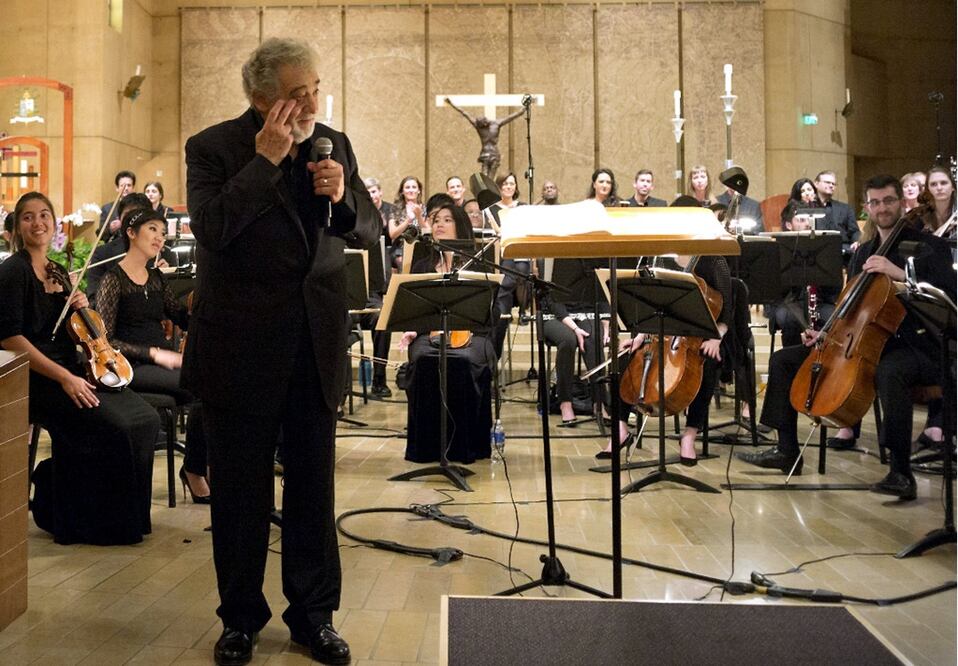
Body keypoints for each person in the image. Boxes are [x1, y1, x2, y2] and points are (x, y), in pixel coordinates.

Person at [184, 37, 379, 665]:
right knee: (241, 493)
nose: (311, 101)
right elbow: (212, 229)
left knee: (313, 491)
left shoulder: (334, 144)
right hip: (240, 344)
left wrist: (342, 194)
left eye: (316, 87)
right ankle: (239, 618)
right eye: (298, 93)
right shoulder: (213, 148)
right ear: (261, 97)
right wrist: (265, 162)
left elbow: (368, 229)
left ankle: (313, 616)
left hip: (313, 341)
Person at [739, 174, 956, 500]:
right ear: (867, 207)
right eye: (875, 202)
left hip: (914, 345)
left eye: (889, 201)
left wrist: (899, 273)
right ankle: (785, 451)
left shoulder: (929, 247)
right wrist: (826, 332)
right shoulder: (864, 252)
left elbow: (948, 295)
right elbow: (852, 306)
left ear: (901, 202)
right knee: (785, 359)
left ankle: (900, 471)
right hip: (862, 341)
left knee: (891, 371)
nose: (882, 208)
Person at [0, 192, 158, 545]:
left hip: (75, 368)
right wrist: (66, 379)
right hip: (37, 378)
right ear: (17, 226)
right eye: (28, 217)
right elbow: (10, 339)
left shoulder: (57, 270)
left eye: (44, 215)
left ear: (54, 223)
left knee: (144, 418)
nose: (37, 222)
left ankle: (128, 518)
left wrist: (79, 305)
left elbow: (76, 329)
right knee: (113, 426)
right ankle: (90, 523)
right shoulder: (14, 271)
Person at [96, 208, 209, 503]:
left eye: (162, 231)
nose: (160, 237)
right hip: (131, 365)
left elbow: (182, 316)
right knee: (201, 385)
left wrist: (208, 304)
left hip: (159, 364)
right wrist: (155, 353)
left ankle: (199, 466)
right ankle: (195, 470)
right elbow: (106, 341)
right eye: (152, 230)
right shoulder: (113, 280)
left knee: (213, 382)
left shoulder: (156, 278)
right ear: (131, 234)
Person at [602, 252, 732, 461]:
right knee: (628, 357)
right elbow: (653, 306)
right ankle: (621, 428)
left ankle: (690, 434)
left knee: (706, 364)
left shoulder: (714, 260)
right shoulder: (661, 257)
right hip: (660, 334)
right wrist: (640, 336)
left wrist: (717, 338)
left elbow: (727, 310)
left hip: (705, 335)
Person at [397, 203, 497, 463]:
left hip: (473, 335)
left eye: (447, 220)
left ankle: (464, 448)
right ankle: (426, 449)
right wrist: (411, 329)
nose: (440, 224)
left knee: (463, 361)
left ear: (460, 226)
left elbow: (490, 312)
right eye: (436, 220)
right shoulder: (423, 265)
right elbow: (413, 307)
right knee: (421, 359)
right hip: (428, 335)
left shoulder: (478, 264)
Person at [765, 201, 838, 347]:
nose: (808, 224)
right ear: (788, 225)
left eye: (809, 220)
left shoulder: (824, 247)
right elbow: (774, 292)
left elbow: (834, 291)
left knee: (835, 318)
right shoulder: (776, 249)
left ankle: (826, 362)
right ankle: (793, 363)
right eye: (801, 220)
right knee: (789, 318)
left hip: (819, 302)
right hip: (786, 302)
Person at [444, 97, 525, 178]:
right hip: (486, 155)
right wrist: (451, 104)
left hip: (493, 155)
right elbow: (464, 113)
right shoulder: (485, 125)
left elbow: (510, 117)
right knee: (484, 180)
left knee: (489, 179)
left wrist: (522, 110)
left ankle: (489, 189)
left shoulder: (495, 124)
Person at [813, 170, 860, 258]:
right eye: (827, 182)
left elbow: (854, 231)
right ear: (816, 183)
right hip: (816, 253)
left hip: (843, 252)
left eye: (833, 184)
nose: (831, 186)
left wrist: (856, 241)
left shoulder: (845, 208)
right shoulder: (808, 208)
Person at [387, 176, 426, 242]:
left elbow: (427, 233)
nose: (411, 190)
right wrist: (408, 220)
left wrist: (419, 216)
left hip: (420, 248)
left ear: (419, 190)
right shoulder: (395, 209)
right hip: (399, 249)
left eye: (414, 187)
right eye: (407, 187)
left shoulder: (424, 208)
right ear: (402, 191)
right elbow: (392, 234)